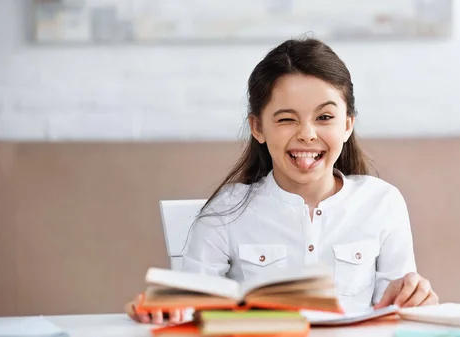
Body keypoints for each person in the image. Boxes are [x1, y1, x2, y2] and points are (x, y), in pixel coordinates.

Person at [126, 37, 438, 325]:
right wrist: (160, 308)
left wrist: (416, 300)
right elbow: (188, 309)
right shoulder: (226, 211)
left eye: (324, 118)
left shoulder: (382, 203)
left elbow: (395, 312)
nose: (307, 133)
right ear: (257, 127)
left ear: (347, 125)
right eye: (286, 119)